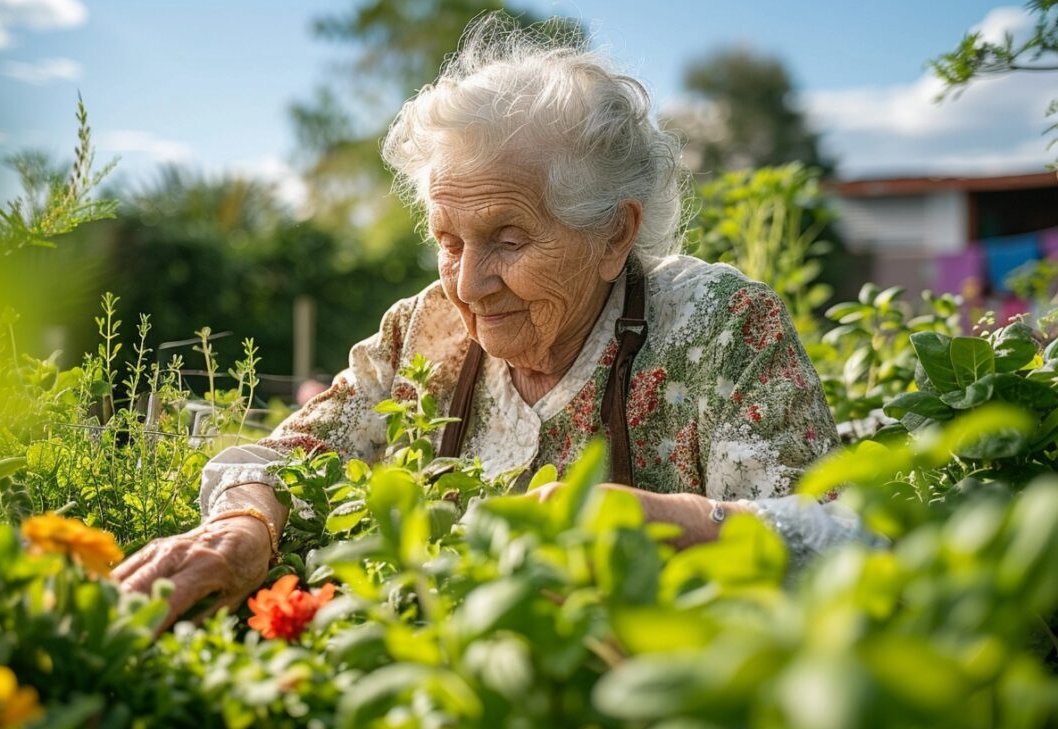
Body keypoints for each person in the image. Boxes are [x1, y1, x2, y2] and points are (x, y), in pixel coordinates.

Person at [113, 17, 862, 629]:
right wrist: (243, 527)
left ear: (614, 236)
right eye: (448, 240)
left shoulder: (721, 328)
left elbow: (838, 543)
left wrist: (673, 520)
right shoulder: (424, 332)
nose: (469, 285)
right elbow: (288, 457)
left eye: (508, 238)